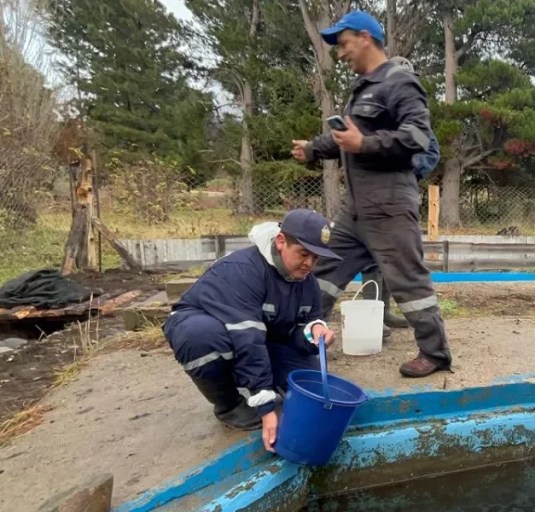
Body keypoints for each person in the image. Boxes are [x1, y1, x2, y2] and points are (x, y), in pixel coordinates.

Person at [289, 10, 452, 378]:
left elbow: (418, 137)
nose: (340, 53)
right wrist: (314, 148)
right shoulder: (364, 87)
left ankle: (435, 352)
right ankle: (303, 344)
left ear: (365, 37)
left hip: (390, 203)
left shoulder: (400, 82)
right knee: (325, 273)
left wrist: (365, 143)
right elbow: (347, 139)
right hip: (356, 208)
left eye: (344, 44)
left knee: (407, 279)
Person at [163, 209, 340, 453]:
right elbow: (248, 339)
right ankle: (229, 405)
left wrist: (315, 331)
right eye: (304, 254)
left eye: (316, 258)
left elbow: (307, 320)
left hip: (259, 338)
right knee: (201, 337)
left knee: (310, 385)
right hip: (204, 326)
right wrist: (266, 409)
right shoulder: (244, 270)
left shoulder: (306, 280)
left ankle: (256, 385)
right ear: (281, 242)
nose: (310, 263)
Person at [357, 55, 441, 331]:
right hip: (368, 194)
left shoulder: (414, 114)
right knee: (371, 256)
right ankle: (373, 319)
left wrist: (406, 170)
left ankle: (386, 314)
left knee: (397, 258)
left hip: (399, 196)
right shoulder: (372, 112)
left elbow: (431, 153)